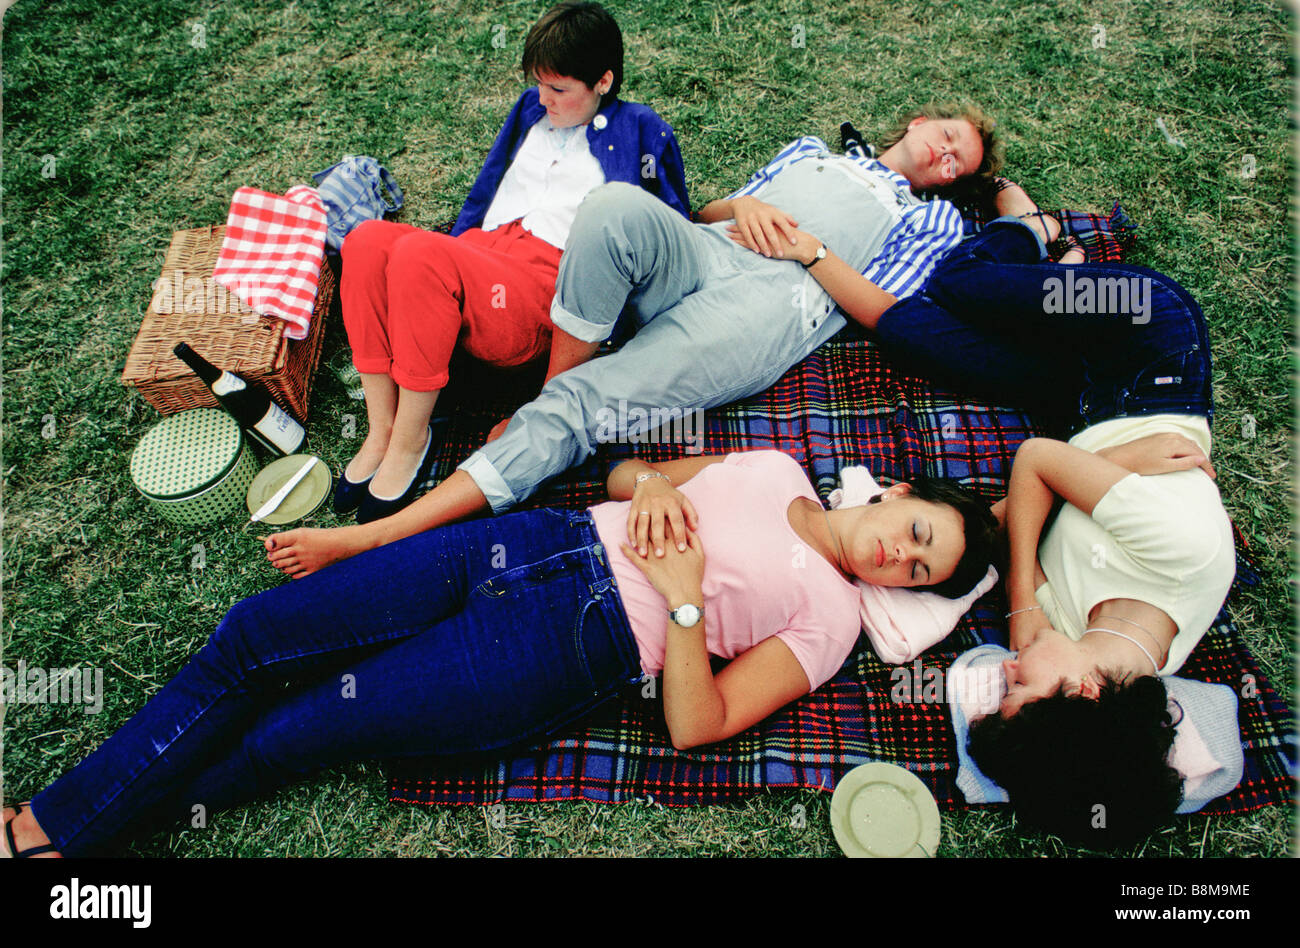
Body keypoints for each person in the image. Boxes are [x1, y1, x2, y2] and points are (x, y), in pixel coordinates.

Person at [2, 450, 997, 856]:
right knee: (255, 637)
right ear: (896, 495)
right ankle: (65, 819)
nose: (899, 558)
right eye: (916, 534)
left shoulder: (826, 626)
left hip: (561, 647)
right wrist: (649, 479)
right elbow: (625, 473)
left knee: (288, 736)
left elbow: (697, 726)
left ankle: (52, 829)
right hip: (527, 542)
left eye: (918, 575)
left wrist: (689, 606)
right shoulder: (775, 461)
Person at [266, 103, 1002, 576]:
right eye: (947, 139)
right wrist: (745, 206)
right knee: (614, 205)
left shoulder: (935, 223)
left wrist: (811, 253)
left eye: (957, 164)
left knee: (586, 406)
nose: (944, 158)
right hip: (712, 245)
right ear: (916, 123)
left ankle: (383, 535)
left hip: (778, 299)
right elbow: (711, 206)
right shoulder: (814, 149)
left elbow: (886, 315)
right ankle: (551, 395)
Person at [871, 192, 1234, 848]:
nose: (1007, 668)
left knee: (906, 331)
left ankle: (1061, 274)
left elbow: (1013, 507)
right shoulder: (1187, 554)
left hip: (1078, 404)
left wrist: (1092, 472)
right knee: (960, 283)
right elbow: (1034, 464)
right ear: (1089, 694)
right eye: (1020, 687)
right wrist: (1021, 595)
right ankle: (1037, 226)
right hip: (1147, 345)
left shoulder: (1067, 641)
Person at [336, 1, 690, 523]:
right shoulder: (529, 110)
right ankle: (382, 428)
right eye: (539, 85)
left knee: (419, 252)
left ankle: (413, 442)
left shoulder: (642, 130)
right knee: (365, 240)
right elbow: (487, 189)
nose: (543, 98)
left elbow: (667, 229)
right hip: (482, 254)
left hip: (541, 285)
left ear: (604, 81)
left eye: (559, 89)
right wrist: (447, 268)